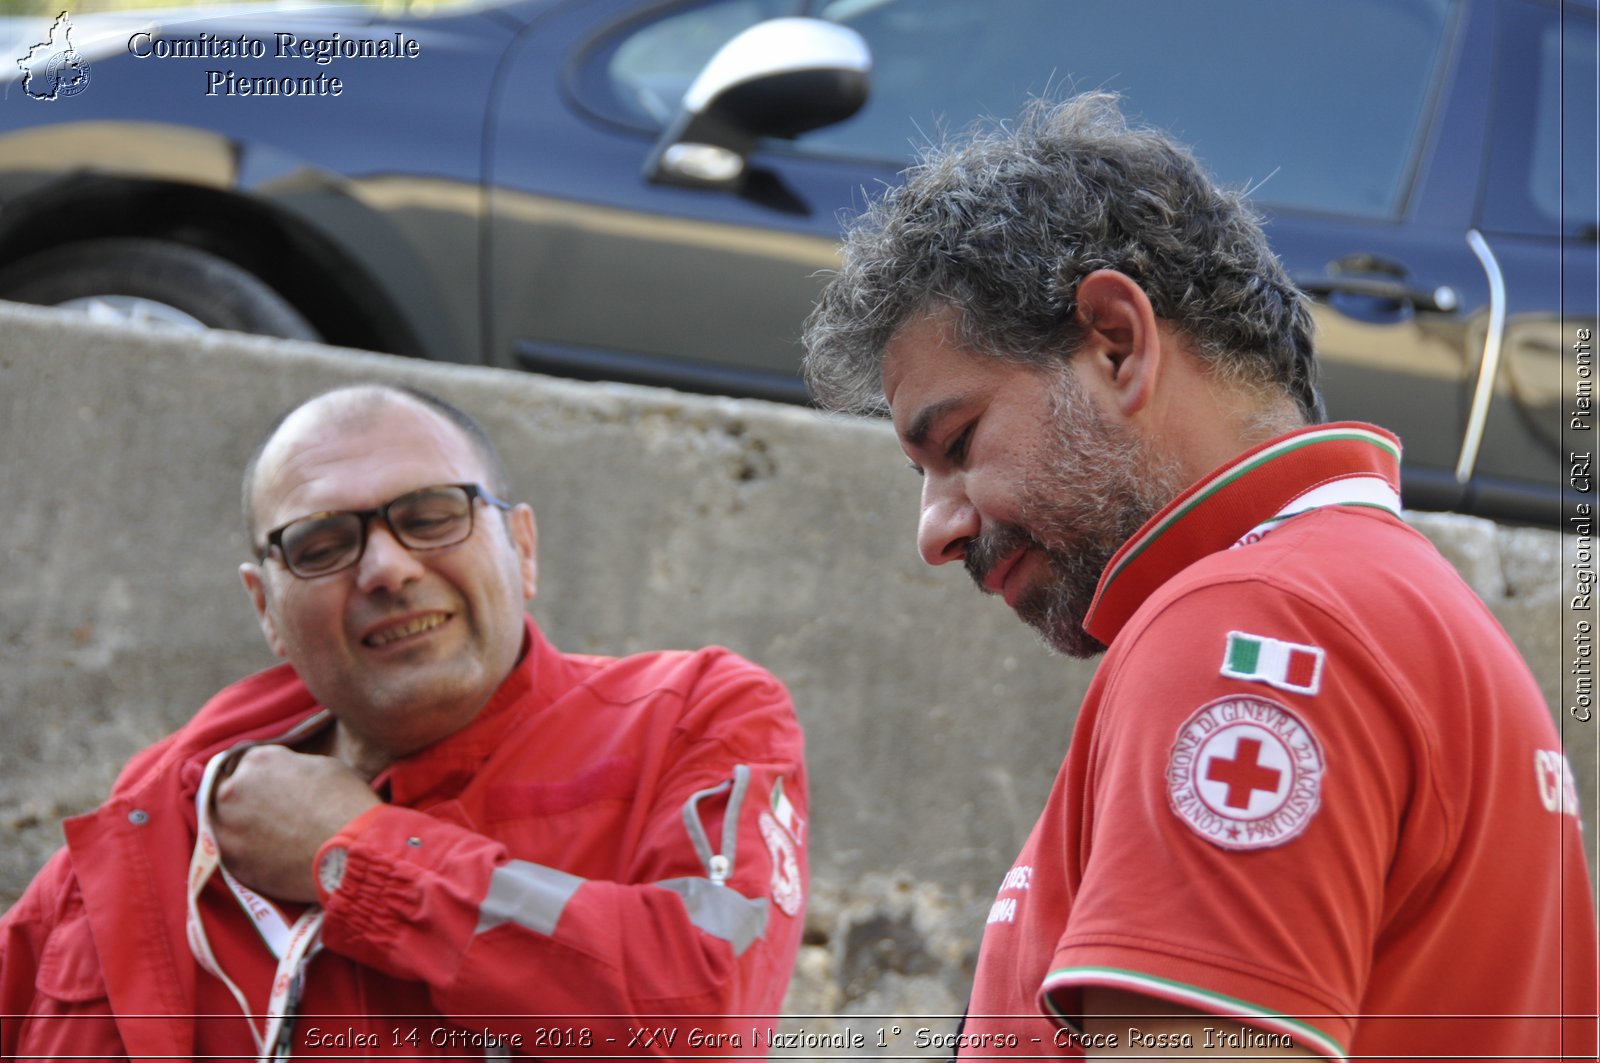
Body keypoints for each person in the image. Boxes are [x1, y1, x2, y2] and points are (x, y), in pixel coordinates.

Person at [802, 93, 1597, 1059]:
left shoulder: (1246, 625)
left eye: (958, 442)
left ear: (1118, 342)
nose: (936, 529)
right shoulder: (1410, 612)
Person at [0, 383, 809, 1060]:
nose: (387, 568)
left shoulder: (688, 718)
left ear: (522, 547)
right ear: (265, 609)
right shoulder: (170, 801)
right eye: (321, 543)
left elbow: (706, 1012)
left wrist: (357, 858)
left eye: (430, 515)